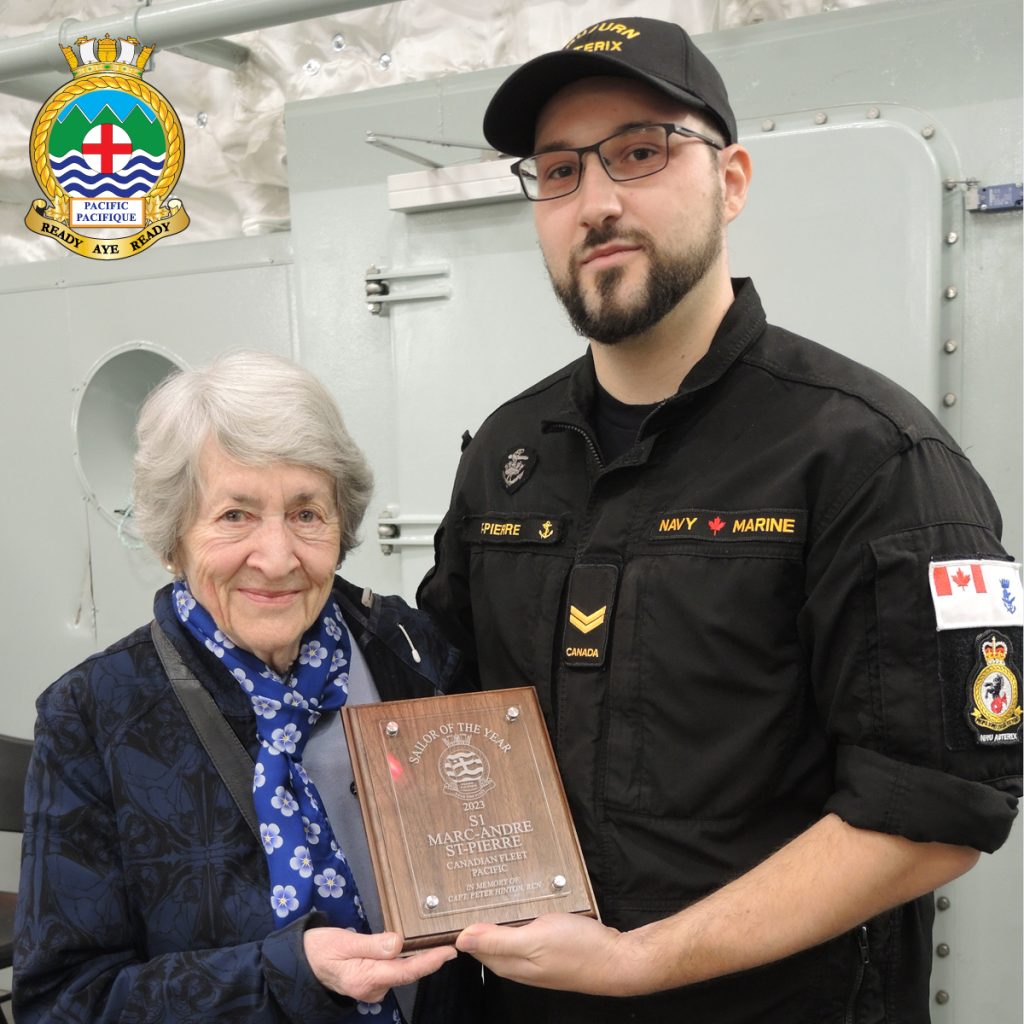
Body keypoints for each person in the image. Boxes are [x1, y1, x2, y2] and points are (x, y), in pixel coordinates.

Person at [416, 16, 1023, 1023]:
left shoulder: (872, 456)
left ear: (730, 180)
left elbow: (938, 810)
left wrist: (637, 961)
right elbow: (445, 714)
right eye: (559, 170)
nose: (595, 202)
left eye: (640, 153)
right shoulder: (507, 458)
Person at [14, 352, 480, 1023]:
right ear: (174, 535)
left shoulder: (404, 649)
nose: (277, 556)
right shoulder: (93, 715)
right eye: (235, 515)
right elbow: (63, 1004)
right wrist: (281, 976)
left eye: (306, 513)